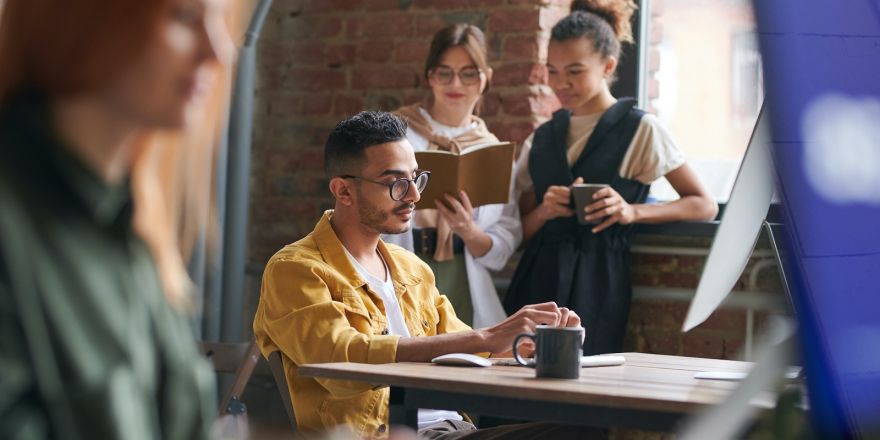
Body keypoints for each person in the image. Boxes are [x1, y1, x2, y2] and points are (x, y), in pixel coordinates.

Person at [253, 112, 591, 439]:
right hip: (383, 434)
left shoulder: (411, 268)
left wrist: (533, 344)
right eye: (396, 183)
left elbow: (474, 351)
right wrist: (487, 336)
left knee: (579, 432)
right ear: (343, 191)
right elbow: (341, 359)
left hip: (453, 429)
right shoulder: (296, 269)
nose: (414, 196)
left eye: (416, 179)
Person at [0, 0, 234, 437]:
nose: (219, 53)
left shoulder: (134, 228)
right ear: (82, 20)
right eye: (184, 18)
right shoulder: (12, 226)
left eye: (220, 20)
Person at [504, 0, 718, 356]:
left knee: (585, 388)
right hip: (535, 282)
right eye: (552, 71)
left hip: (598, 282)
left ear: (608, 66)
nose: (561, 83)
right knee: (514, 386)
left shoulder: (641, 129)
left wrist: (633, 212)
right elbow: (518, 234)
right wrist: (544, 212)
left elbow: (703, 204)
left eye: (574, 71)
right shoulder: (540, 138)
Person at [385, 23, 520, 328]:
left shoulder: (492, 151)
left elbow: (506, 237)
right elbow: (362, 207)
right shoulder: (395, 133)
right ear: (430, 76)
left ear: (485, 78)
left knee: (462, 364)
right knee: (402, 366)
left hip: (463, 274)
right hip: (400, 267)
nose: (455, 83)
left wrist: (469, 230)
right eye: (444, 72)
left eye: (468, 73)